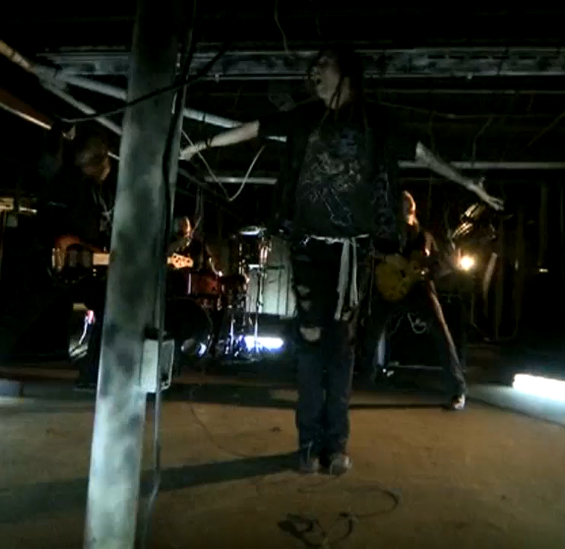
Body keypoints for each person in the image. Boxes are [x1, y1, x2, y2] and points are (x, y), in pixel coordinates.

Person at [180, 46, 502, 475]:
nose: (314, 71)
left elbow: (423, 153)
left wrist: (468, 184)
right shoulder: (305, 117)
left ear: (346, 73)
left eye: (323, 64)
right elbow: (253, 128)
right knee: (312, 342)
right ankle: (308, 445)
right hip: (309, 247)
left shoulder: (374, 122)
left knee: (341, 347)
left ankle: (336, 445)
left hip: (351, 250)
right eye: (313, 66)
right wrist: (200, 145)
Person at [0, 127, 114, 405]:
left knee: (112, 312)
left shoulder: (99, 195)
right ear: (94, 161)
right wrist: (58, 132)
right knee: (13, 320)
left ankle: (92, 377)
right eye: (104, 159)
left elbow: (96, 237)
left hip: (81, 269)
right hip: (47, 266)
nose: (108, 166)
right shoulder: (65, 180)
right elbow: (48, 169)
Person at [359, 191, 468, 409]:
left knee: (442, 333)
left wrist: (428, 272)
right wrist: (388, 258)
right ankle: (364, 377)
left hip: (418, 289)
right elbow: (367, 251)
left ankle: (457, 390)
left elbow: (444, 264)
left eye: (405, 207)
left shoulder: (424, 237)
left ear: (412, 209)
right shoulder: (386, 234)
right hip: (390, 289)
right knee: (371, 329)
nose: (402, 212)